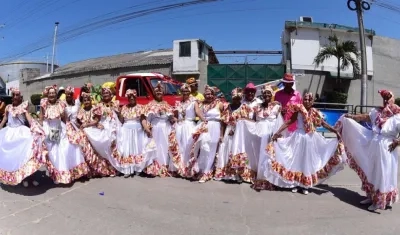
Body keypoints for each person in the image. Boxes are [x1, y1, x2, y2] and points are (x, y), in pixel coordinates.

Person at [268, 92, 346, 195]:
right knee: (297, 160)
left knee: (307, 161)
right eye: (305, 99)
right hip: (298, 137)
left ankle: (305, 184)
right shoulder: (299, 109)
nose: (307, 101)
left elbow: (323, 123)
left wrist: (335, 131)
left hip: (310, 139)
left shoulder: (314, 112)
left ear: (313, 101)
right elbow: (289, 121)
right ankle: (295, 183)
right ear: (302, 100)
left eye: (310, 99)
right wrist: (278, 132)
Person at [336, 90, 400, 211]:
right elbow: (366, 117)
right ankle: (371, 197)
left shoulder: (397, 115)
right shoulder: (377, 112)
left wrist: (398, 141)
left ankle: (380, 201)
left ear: (393, 99)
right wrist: (352, 117)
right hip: (375, 143)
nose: (386, 100)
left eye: (388, 98)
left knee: (382, 173)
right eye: (384, 98)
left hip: (387, 146)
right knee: (371, 171)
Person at [40, 85, 90, 184]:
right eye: (50, 93)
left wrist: (69, 129)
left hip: (59, 128)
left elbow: (65, 118)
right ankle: (56, 174)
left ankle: (62, 174)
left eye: (53, 93)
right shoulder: (44, 103)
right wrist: (40, 129)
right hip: (49, 128)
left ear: (56, 94)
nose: (51, 95)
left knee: (64, 150)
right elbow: (41, 117)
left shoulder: (61, 104)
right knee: (53, 153)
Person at [0, 88, 45, 187]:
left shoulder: (24, 106)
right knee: (14, 158)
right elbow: (4, 120)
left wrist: (35, 126)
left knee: (28, 155)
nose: (15, 97)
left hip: (21, 133)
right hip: (9, 134)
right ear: (12, 96)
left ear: (20, 97)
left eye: (17, 95)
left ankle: (31, 177)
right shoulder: (8, 107)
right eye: (14, 95)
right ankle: (22, 178)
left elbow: (28, 117)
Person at [114, 89, 155, 177]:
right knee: (127, 149)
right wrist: (119, 114)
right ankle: (127, 169)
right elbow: (122, 120)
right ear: (128, 98)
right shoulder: (124, 107)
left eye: (133, 97)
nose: (131, 98)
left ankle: (138, 168)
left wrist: (147, 129)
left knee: (137, 148)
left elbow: (143, 120)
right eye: (129, 97)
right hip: (126, 130)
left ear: (135, 97)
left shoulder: (140, 107)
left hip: (137, 130)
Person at [189, 85, 225, 183]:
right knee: (204, 148)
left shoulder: (220, 104)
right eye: (207, 94)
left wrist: (221, 134)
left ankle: (207, 171)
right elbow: (196, 109)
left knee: (212, 149)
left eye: (210, 94)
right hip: (205, 127)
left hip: (215, 127)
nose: (209, 96)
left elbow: (223, 120)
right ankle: (201, 170)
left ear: (214, 94)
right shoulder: (202, 104)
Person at [76, 92, 116, 177]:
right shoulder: (81, 111)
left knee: (99, 149)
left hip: (94, 130)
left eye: (88, 100)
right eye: (84, 100)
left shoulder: (95, 108)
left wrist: (88, 124)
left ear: (91, 100)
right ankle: (91, 171)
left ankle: (104, 169)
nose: (86, 102)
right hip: (86, 132)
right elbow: (79, 122)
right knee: (88, 151)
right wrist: (82, 126)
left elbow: (97, 120)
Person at [252, 85, 284, 190]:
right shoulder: (258, 107)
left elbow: (280, 121)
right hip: (260, 135)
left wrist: (277, 134)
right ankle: (261, 178)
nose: (266, 95)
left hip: (271, 135)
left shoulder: (277, 107)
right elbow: (253, 121)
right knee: (261, 156)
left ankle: (271, 179)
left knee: (271, 157)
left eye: (269, 93)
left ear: (272, 95)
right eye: (265, 93)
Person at [142, 82, 175, 177]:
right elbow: (147, 118)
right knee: (155, 146)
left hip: (166, 127)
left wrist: (175, 119)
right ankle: (155, 167)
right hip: (155, 127)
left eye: (160, 92)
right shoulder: (150, 104)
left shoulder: (166, 104)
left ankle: (164, 166)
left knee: (165, 147)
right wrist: (147, 129)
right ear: (154, 93)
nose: (159, 93)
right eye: (157, 92)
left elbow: (170, 118)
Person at [172, 83, 205, 177]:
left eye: (186, 90)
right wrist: (174, 120)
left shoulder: (194, 101)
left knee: (188, 147)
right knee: (179, 147)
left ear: (189, 91)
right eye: (183, 90)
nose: (185, 92)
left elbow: (198, 112)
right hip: (179, 126)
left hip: (189, 125)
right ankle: (179, 168)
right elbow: (175, 115)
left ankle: (188, 168)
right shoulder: (178, 103)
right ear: (181, 91)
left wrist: (204, 120)